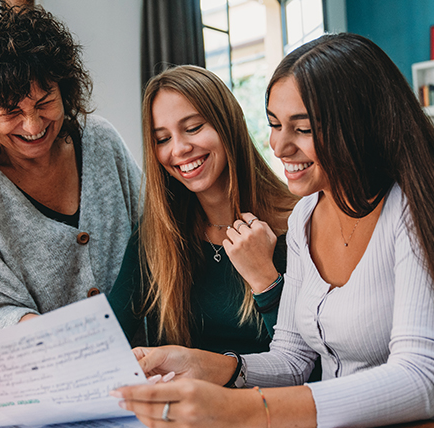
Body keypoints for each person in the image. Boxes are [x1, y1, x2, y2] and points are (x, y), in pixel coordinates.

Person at [111, 33, 434, 428]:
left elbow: (421, 379)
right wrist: (211, 366)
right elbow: (294, 360)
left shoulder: (416, 209)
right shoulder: (304, 218)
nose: (278, 146)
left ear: (359, 126)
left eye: (302, 128)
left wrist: (242, 410)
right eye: (275, 125)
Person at [0, 0, 141, 385]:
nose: (34, 124)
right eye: (10, 111)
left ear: (64, 88)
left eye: (45, 102)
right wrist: (77, 360)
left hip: (105, 373)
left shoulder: (101, 141)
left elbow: (150, 235)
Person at [108, 65, 299, 356]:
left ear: (228, 124)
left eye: (193, 128)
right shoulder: (157, 233)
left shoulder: (298, 222)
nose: (179, 149)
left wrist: (267, 281)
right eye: (162, 139)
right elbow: (110, 337)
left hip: (268, 399)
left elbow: (312, 360)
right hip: (182, 401)